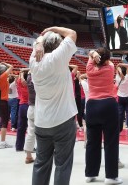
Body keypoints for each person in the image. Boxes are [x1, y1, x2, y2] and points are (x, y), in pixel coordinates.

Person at [29, 26, 78, 185]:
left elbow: (39, 40)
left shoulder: (33, 61)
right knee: (63, 164)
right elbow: (72, 33)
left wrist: (39, 42)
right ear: (58, 46)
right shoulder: (58, 57)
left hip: (42, 121)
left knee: (41, 163)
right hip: (63, 120)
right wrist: (53, 28)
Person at [85, 47, 122, 184]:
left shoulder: (89, 68)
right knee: (111, 142)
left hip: (92, 106)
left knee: (92, 142)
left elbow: (91, 55)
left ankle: (90, 174)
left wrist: (92, 53)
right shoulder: (110, 68)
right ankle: (111, 176)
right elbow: (108, 62)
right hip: (108, 105)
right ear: (107, 59)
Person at [116, 62, 128, 137]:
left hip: (120, 97)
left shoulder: (117, 77)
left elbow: (117, 67)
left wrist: (119, 68)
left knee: (120, 114)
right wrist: (121, 65)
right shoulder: (127, 77)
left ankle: (119, 130)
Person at [0, 61, 14, 149]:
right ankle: (2, 142)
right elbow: (12, 66)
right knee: (4, 122)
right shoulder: (3, 77)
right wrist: (5, 63)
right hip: (3, 101)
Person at [15, 68, 29, 152]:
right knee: (31, 128)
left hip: (21, 106)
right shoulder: (30, 84)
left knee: (21, 128)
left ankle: (19, 146)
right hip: (29, 106)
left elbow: (20, 77)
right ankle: (29, 147)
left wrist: (21, 72)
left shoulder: (19, 82)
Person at [24, 70, 36, 164]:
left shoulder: (28, 77)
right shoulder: (39, 78)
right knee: (45, 134)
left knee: (30, 132)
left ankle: (28, 156)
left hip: (31, 107)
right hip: (41, 108)